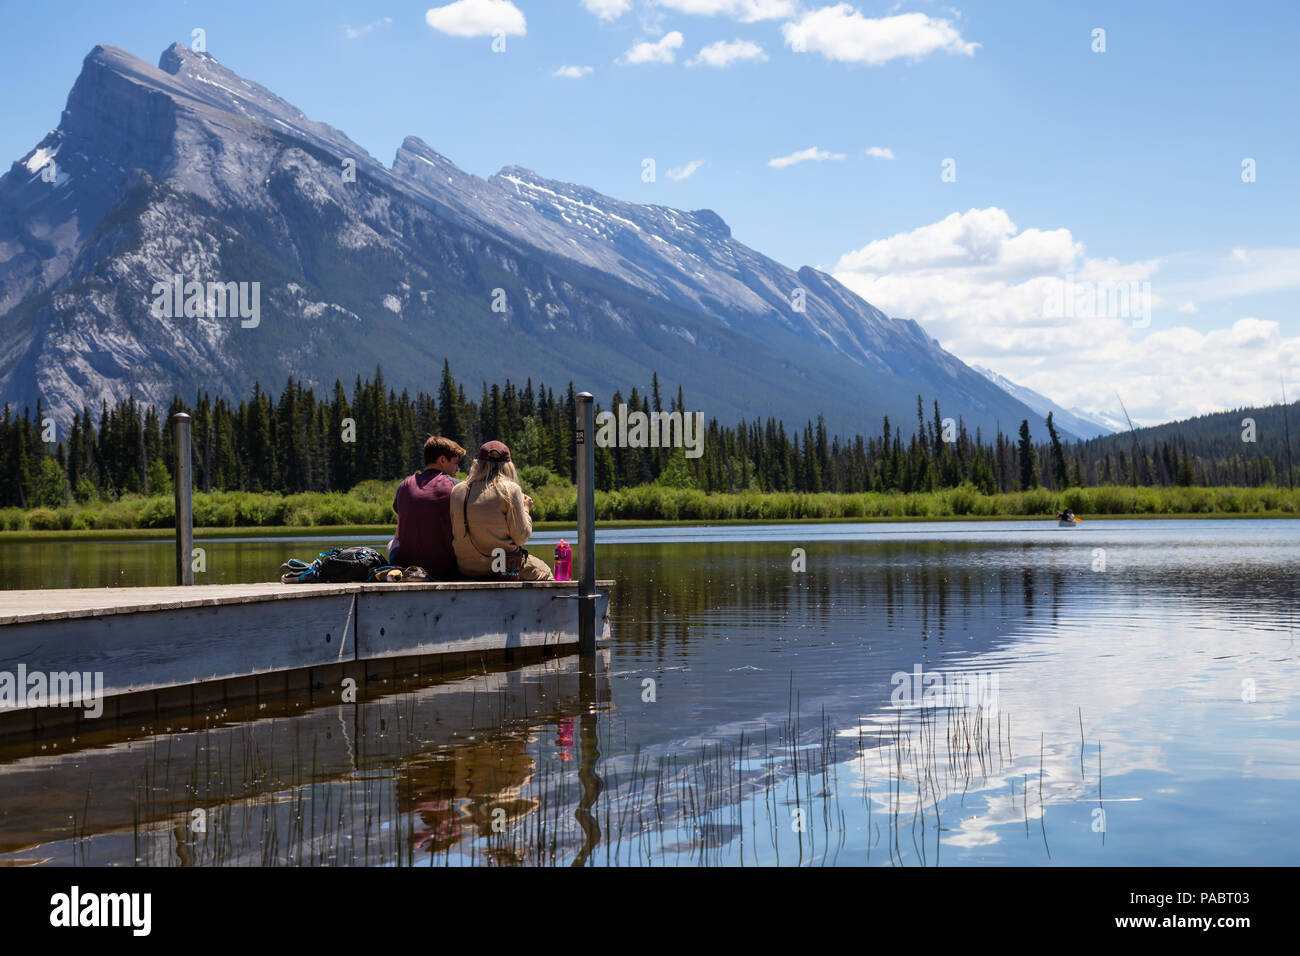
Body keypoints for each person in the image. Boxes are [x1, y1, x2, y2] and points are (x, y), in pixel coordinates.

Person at [450, 440, 554, 581]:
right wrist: (526, 510)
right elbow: (521, 537)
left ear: (478, 464)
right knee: (545, 572)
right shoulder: (510, 489)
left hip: (468, 568)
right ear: (508, 466)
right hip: (503, 566)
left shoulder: (458, 491)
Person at [388, 436, 466, 578]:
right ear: (442, 460)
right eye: (456, 463)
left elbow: (399, 533)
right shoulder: (457, 486)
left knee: (391, 544)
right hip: (445, 569)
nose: (457, 468)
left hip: (406, 568)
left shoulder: (404, 485)